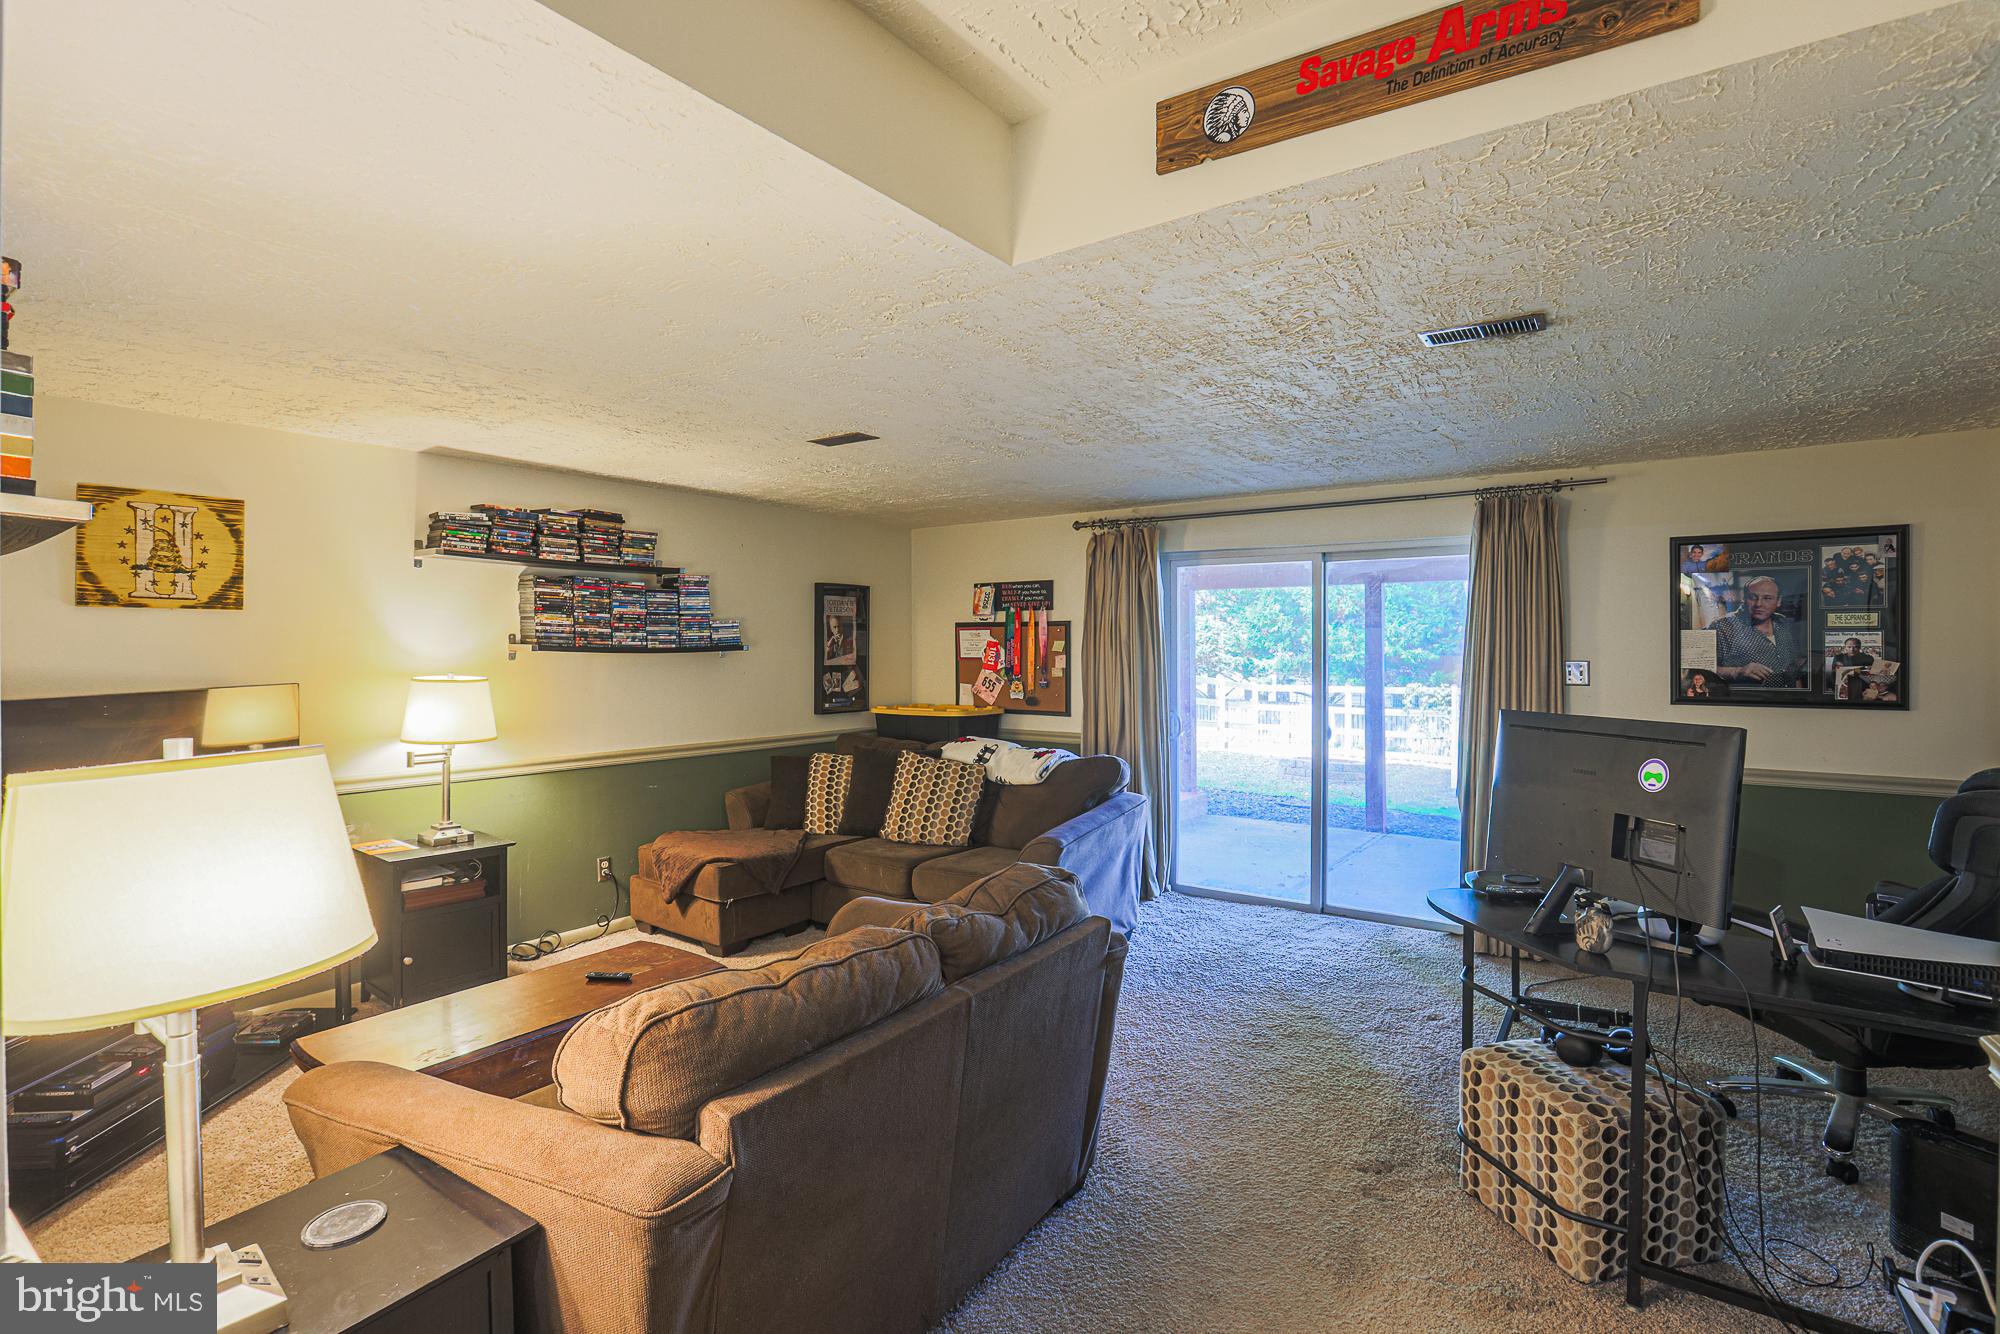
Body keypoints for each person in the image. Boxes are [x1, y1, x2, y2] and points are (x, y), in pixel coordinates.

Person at [1711, 575, 1807, 686]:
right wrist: (1737, 671)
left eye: (1767, 598)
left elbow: (1795, 670)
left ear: (1779, 601)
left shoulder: (1784, 622)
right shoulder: (1721, 626)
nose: (1758, 604)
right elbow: (1699, 668)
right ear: (1744, 598)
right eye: (1752, 597)